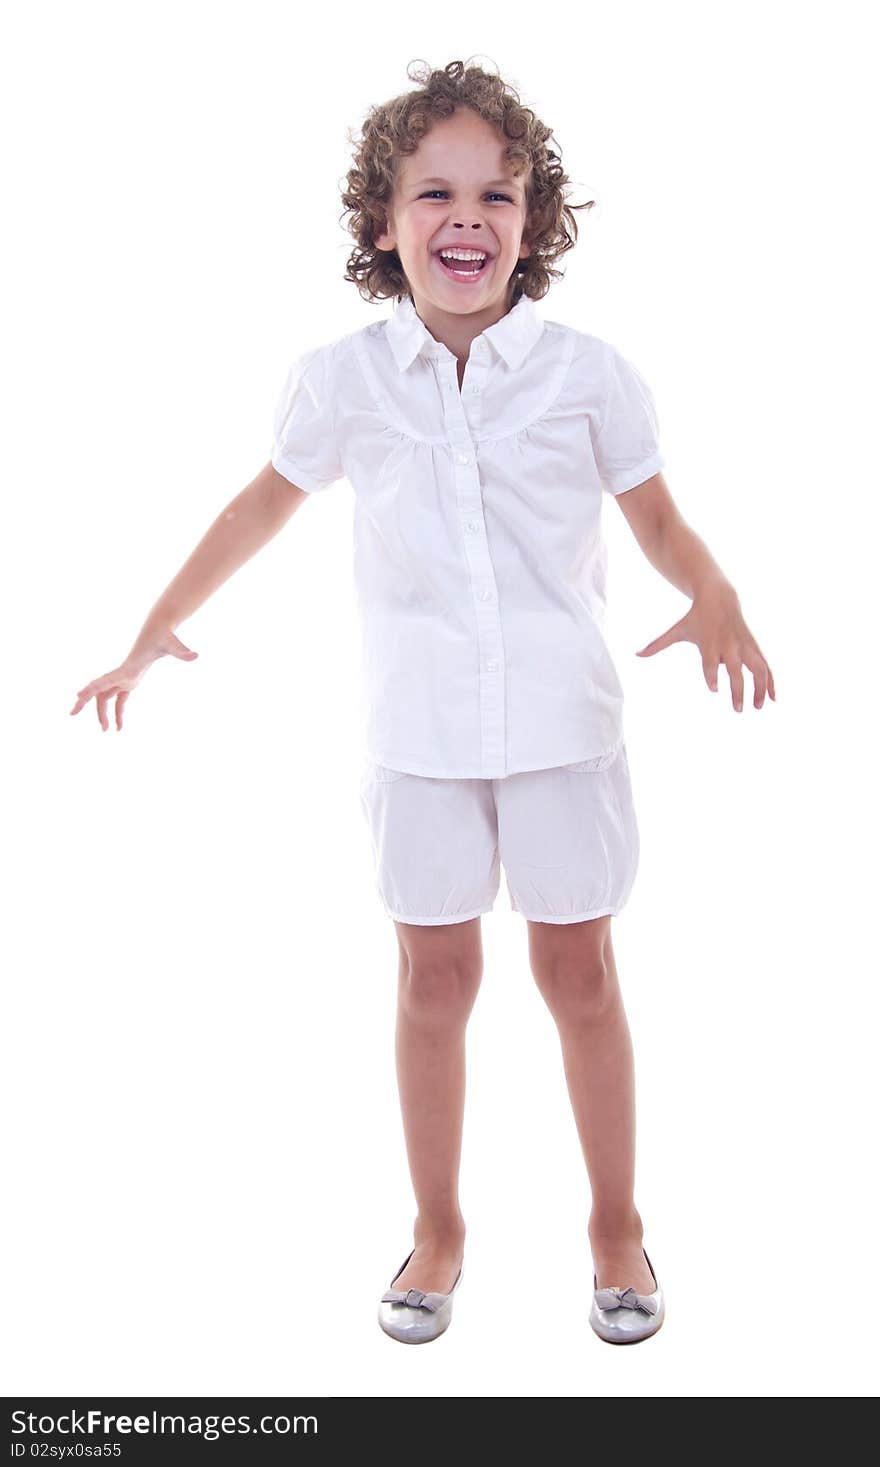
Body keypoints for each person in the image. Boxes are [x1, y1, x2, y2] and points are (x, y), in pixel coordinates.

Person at [70, 59, 776, 1347]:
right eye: (435, 192)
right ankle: (438, 1228)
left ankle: (616, 1224)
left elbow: (660, 517)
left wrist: (717, 590)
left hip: (566, 726)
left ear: (531, 218)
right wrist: (154, 627)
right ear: (384, 223)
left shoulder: (589, 372)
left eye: (497, 194)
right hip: (419, 733)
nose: (469, 216)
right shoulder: (342, 377)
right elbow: (260, 506)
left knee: (582, 972)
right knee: (433, 976)